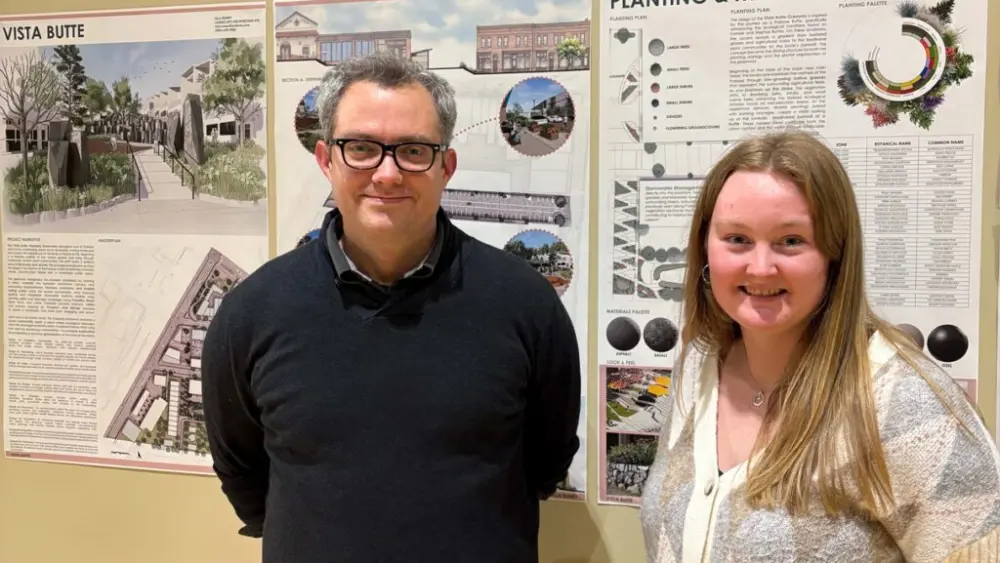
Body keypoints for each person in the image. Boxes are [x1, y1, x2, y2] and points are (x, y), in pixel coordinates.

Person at [201, 51, 581, 563]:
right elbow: (245, 477)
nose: (386, 174)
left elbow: (545, 461)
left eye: (413, 151)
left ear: (445, 166)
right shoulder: (250, 315)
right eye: (361, 148)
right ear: (325, 160)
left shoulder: (526, 304)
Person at [640, 130, 1000, 561]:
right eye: (737, 239)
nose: (760, 266)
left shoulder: (906, 404)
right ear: (705, 247)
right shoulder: (697, 365)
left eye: (791, 241)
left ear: (835, 255)